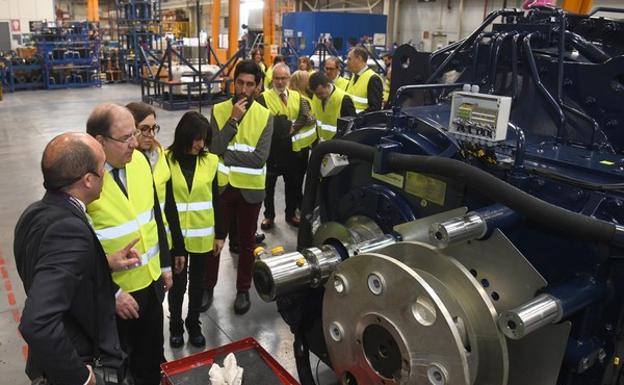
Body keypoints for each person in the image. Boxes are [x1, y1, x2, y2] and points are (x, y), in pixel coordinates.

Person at [15, 133, 140, 385]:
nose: (105, 173)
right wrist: (82, 377)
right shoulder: (68, 230)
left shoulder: (35, 213)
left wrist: (103, 263)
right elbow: (37, 322)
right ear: (87, 180)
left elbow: (49, 271)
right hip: (77, 360)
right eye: (102, 167)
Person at [86, 103, 172, 385]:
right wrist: (112, 292)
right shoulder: (84, 180)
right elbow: (79, 252)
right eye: (126, 138)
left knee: (151, 358)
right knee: (118, 369)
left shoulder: (139, 162)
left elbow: (154, 216)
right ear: (100, 142)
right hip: (115, 298)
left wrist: (165, 265)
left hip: (150, 284)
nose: (135, 143)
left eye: (135, 134)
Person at [208, 59, 273, 314]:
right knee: (214, 240)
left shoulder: (265, 117)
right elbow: (214, 148)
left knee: (247, 243)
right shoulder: (220, 110)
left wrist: (226, 155)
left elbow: (259, 158)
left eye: (249, 84)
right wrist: (233, 121)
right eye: (240, 83)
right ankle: (207, 287)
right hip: (223, 187)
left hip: (250, 191)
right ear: (233, 83)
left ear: (258, 87)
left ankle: (243, 290)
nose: (244, 90)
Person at [166, 112, 224, 347]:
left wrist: (220, 234)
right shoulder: (167, 159)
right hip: (176, 236)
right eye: (196, 139)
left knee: (198, 282)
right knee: (177, 286)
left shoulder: (210, 161)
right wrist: (176, 244)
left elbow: (216, 200)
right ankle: (175, 325)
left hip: (203, 234)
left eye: (204, 139)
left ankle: (193, 323)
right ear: (184, 136)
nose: (200, 144)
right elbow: (167, 202)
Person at [256, 63, 316, 230]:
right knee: (268, 187)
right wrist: (286, 124)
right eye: (277, 78)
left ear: (289, 79)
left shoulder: (298, 97)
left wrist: (287, 124)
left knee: (293, 185)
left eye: (283, 78)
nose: (280, 82)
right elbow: (262, 123)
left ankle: (291, 214)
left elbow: (307, 118)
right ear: (272, 79)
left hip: (292, 151)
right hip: (271, 151)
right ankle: (269, 216)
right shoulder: (263, 98)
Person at [126, 102, 185, 258]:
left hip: (165, 241)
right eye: (144, 129)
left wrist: (179, 247)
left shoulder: (159, 154)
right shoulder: (123, 165)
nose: (151, 135)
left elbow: (170, 204)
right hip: (139, 249)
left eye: (153, 128)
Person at [309, 71, 356, 140]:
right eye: (316, 94)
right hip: (323, 143)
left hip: (338, 145)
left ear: (328, 85)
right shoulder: (316, 97)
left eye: (321, 93)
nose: (318, 97)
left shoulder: (343, 99)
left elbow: (350, 128)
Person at [345, 46, 383, 113]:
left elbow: (375, 109)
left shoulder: (373, 79)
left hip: (361, 122)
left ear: (359, 59)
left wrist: (357, 117)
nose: (346, 62)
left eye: (349, 59)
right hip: (350, 120)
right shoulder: (354, 75)